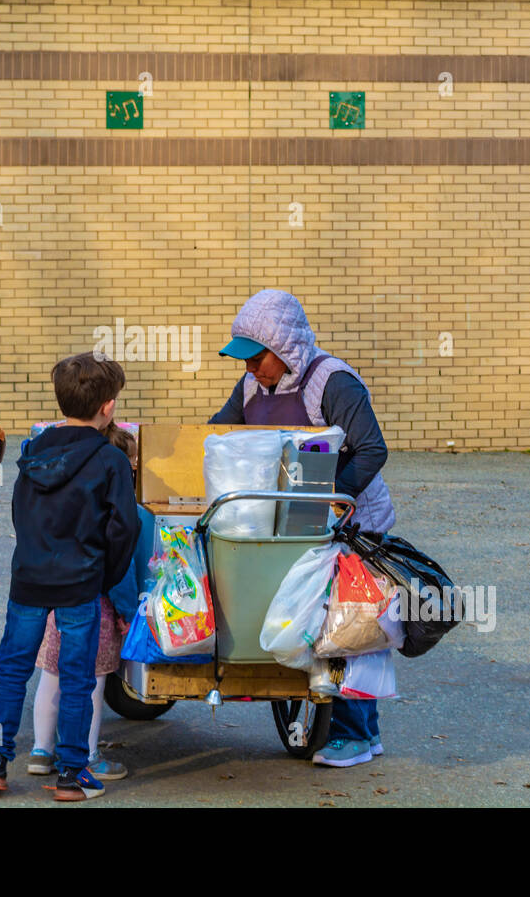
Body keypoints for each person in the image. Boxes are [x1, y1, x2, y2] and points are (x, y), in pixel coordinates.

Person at [210, 289, 396, 768]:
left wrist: (335, 499)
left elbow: (372, 450)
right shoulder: (252, 387)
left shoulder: (333, 382)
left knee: (348, 626)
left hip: (352, 523)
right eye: (244, 361)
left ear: (285, 348)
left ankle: (353, 735)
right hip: (293, 521)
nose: (250, 369)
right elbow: (221, 436)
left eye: (258, 359)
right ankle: (364, 733)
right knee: (322, 626)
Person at [0, 353, 140, 801]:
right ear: (107, 407)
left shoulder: (32, 454)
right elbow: (125, 528)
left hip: (30, 578)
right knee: (77, 677)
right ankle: (71, 773)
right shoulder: (111, 461)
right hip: (81, 582)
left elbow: (21, 514)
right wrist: (107, 574)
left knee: (12, 669)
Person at [26, 422, 153, 781]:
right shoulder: (125, 512)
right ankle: (90, 754)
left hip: (56, 600)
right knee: (92, 685)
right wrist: (128, 614)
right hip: (96, 608)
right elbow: (123, 573)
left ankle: (40, 750)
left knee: (50, 677)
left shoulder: (69, 500)